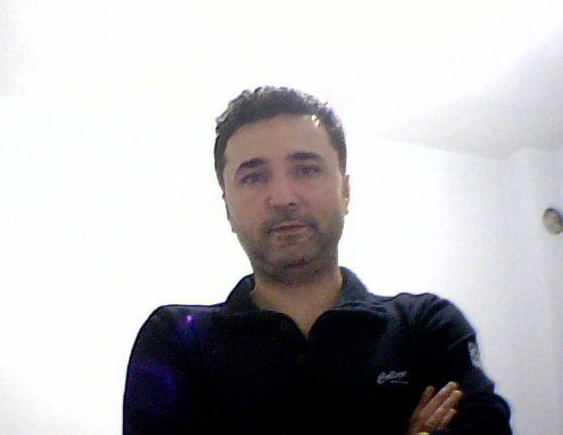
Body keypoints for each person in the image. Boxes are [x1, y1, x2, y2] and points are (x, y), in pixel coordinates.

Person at [123, 86, 512, 434]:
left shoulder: (427, 327)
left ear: (345, 191)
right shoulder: (177, 340)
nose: (283, 197)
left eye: (306, 169)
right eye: (254, 177)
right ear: (227, 207)